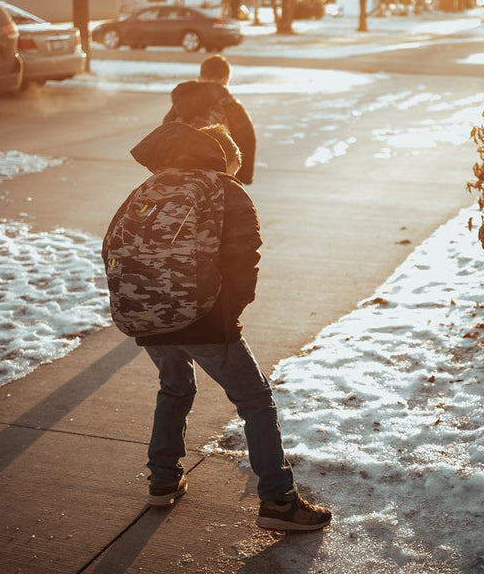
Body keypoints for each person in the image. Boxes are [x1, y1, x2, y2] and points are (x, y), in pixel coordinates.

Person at [124, 120, 331, 531]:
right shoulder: (223, 188)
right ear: (223, 156)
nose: (234, 172)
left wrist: (145, 303)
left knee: (174, 388)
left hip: (147, 312)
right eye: (234, 164)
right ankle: (278, 501)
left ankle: (163, 478)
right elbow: (243, 256)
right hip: (203, 319)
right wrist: (228, 312)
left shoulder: (154, 186)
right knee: (256, 400)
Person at [162, 54, 257, 185]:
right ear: (226, 80)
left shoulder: (182, 103)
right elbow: (247, 140)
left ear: (200, 78)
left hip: (178, 171)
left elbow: (164, 131)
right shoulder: (230, 105)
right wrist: (243, 177)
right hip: (215, 176)